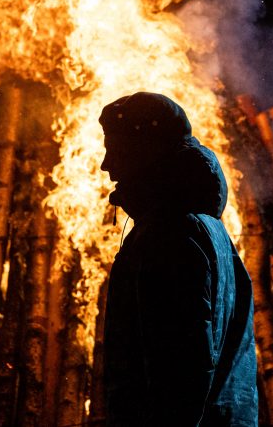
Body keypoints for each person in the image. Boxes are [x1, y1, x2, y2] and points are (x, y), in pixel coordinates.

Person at [99, 92, 258, 426]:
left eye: (114, 148)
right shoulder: (211, 230)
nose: (106, 164)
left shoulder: (169, 235)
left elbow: (179, 372)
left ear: (144, 151)